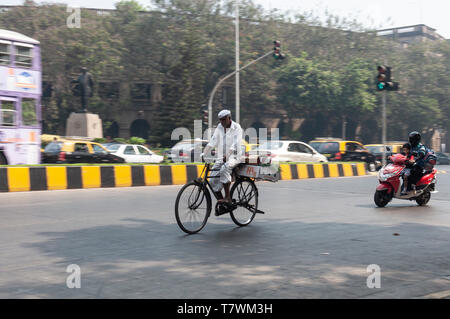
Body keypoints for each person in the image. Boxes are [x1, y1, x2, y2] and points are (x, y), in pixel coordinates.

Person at [202, 109, 243, 204]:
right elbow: (213, 141)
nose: (222, 122)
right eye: (220, 120)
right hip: (222, 157)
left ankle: (227, 197)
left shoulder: (237, 127)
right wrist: (204, 152)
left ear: (229, 118)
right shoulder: (219, 127)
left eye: (224, 119)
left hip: (234, 156)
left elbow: (235, 144)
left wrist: (228, 155)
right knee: (211, 180)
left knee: (224, 168)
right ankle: (222, 203)